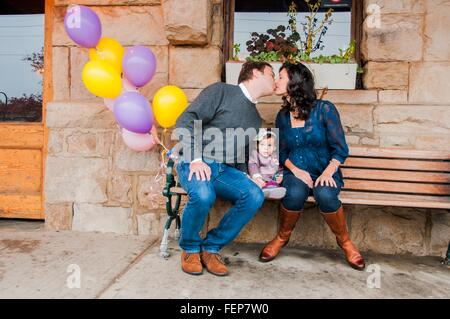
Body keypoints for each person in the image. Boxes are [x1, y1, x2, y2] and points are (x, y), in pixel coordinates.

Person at [259, 62, 365, 270]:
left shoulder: (325, 109)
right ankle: (281, 238)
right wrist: (297, 171)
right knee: (294, 194)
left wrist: (327, 172)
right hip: (295, 170)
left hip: (325, 170)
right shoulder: (282, 116)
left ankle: (345, 242)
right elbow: (281, 152)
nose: (277, 81)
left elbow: (340, 148)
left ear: (295, 82)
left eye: (281, 77)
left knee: (325, 195)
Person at [175, 61, 276, 276]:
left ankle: (210, 248)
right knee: (203, 194)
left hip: (223, 171)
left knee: (253, 195)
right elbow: (186, 119)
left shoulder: (255, 118)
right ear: (256, 73)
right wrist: (195, 159)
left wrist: (251, 176)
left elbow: (241, 153)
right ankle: (190, 248)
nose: (275, 79)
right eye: (272, 73)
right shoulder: (221, 91)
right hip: (194, 162)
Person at [248, 129, 286, 200]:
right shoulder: (255, 154)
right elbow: (253, 165)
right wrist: (257, 177)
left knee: (274, 183)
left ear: (274, 147)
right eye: (262, 144)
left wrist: (280, 176)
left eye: (269, 145)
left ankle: (272, 191)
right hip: (260, 179)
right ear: (257, 146)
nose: (266, 148)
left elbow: (279, 168)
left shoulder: (275, 156)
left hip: (271, 180)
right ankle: (263, 190)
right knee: (253, 183)